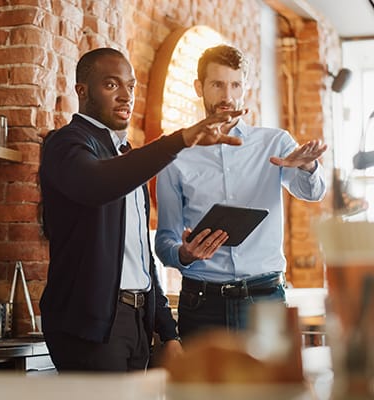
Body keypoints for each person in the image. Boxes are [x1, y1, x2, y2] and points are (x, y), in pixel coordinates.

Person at [38, 47, 246, 372]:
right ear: (82, 91)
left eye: (130, 86)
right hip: (90, 328)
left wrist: (168, 330)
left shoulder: (125, 154)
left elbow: (140, 256)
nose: (125, 96)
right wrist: (180, 140)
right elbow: (96, 183)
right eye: (111, 85)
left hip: (136, 324)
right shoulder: (65, 144)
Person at [155, 44, 327, 339]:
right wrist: (183, 254)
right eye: (218, 85)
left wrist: (308, 167)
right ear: (199, 87)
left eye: (235, 85)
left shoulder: (275, 143)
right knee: (202, 387)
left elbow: (313, 192)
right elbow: (164, 241)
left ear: (244, 87)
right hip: (202, 304)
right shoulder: (177, 153)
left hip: (265, 300)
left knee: (271, 387)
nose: (228, 96)